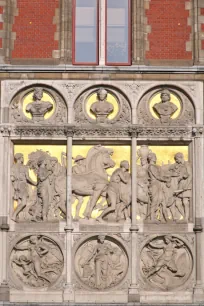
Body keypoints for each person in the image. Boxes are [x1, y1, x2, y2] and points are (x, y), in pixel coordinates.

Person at [11, 153, 37, 221]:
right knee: (24, 202)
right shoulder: (24, 167)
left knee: (20, 201)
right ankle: (14, 215)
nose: (23, 158)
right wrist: (35, 183)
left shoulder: (13, 167)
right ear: (20, 158)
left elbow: (12, 178)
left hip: (16, 186)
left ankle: (20, 217)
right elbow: (28, 178)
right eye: (22, 157)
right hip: (22, 185)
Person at [148, 153, 171, 222]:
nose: (156, 158)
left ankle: (166, 217)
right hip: (155, 185)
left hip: (160, 185)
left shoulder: (157, 166)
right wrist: (166, 179)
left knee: (163, 201)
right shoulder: (151, 166)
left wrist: (170, 176)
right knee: (155, 201)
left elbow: (163, 174)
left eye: (155, 156)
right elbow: (157, 176)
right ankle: (152, 218)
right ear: (151, 158)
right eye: (154, 157)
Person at [169, 152, 192, 221]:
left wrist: (187, 185)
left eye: (176, 159)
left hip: (186, 185)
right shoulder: (179, 166)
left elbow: (190, 175)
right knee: (177, 203)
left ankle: (186, 218)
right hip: (180, 185)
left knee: (185, 202)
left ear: (180, 157)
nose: (176, 161)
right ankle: (185, 216)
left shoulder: (187, 164)